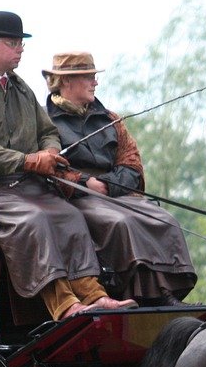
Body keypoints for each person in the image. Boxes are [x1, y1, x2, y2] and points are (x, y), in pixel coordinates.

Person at [0, 11, 134, 320]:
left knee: (69, 214)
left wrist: (50, 153)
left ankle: (94, 295)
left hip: (21, 183)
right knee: (35, 219)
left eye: (21, 43)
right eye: (13, 43)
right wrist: (29, 161)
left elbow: (48, 131)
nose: (20, 49)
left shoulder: (21, 89)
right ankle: (65, 306)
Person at [42, 51, 196, 305]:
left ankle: (164, 293)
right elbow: (48, 165)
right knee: (121, 223)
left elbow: (131, 161)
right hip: (74, 198)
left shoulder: (110, 119)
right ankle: (135, 295)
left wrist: (109, 185)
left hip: (115, 193)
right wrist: (84, 183)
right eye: (88, 77)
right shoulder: (44, 121)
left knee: (164, 219)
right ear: (66, 81)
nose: (95, 82)